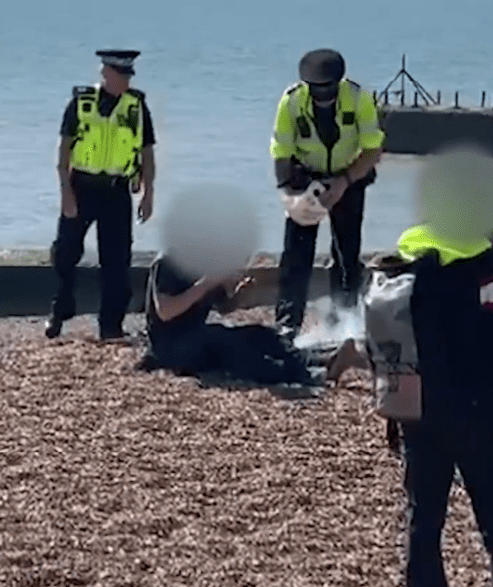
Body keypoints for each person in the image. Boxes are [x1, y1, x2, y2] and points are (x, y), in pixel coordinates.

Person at [392, 222, 493, 587]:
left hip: (417, 412)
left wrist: (394, 415)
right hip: (475, 412)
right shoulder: (486, 258)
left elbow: (393, 344)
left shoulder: (405, 254)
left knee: (423, 527)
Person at [269, 48, 385, 341]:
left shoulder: (359, 99)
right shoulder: (292, 101)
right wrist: (291, 196)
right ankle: (287, 323)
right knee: (296, 253)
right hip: (304, 176)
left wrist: (344, 181)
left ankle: (344, 321)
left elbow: (373, 149)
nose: (323, 94)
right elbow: (281, 152)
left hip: (350, 175)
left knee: (346, 254)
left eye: (328, 88)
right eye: (316, 88)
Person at [45, 49, 156, 340]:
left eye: (128, 75)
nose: (126, 80)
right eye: (120, 75)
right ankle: (61, 307)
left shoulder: (136, 107)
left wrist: (148, 193)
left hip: (116, 190)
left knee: (117, 261)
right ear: (105, 73)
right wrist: (65, 192)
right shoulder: (81, 103)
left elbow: (147, 152)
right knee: (65, 252)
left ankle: (110, 325)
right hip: (81, 186)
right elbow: (63, 150)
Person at [140, 253, 320, 386]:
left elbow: (224, 308)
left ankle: (313, 361)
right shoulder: (168, 262)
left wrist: (240, 294)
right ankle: (304, 374)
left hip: (197, 337)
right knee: (232, 346)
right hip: (169, 346)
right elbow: (165, 311)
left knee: (259, 334)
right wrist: (205, 284)